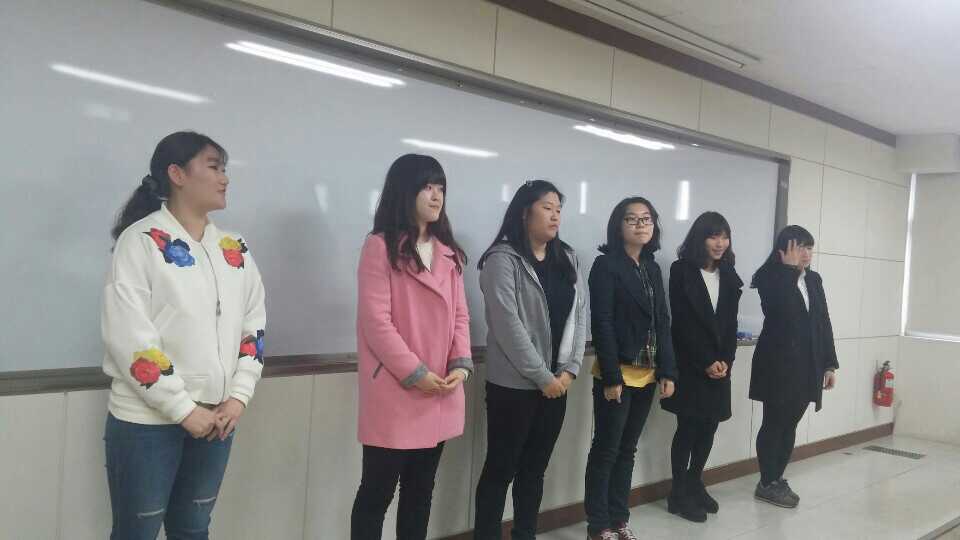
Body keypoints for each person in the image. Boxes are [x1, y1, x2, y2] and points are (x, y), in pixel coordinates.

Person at [102, 131, 266, 539]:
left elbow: (254, 325)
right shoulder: (140, 241)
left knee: (193, 530)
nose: (224, 178)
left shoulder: (234, 247)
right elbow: (131, 341)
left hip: (217, 418)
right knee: (136, 533)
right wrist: (183, 409)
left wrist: (238, 397)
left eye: (224, 169)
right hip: (146, 422)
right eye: (214, 167)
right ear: (176, 174)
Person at [351, 154, 472, 540]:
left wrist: (461, 365)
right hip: (396, 389)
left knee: (420, 492)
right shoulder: (380, 246)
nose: (436, 196)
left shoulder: (448, 252)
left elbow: (461, 316)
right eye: (427, 187)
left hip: (441, 389)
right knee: (377, 492)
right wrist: (416, 373)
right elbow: (376, 323)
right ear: (405, 191)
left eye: (441, 188)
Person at [473, 180, 587, 540]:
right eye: (547, 208)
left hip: (557, 385)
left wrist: (570, 371)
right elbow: (507, 326)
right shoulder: (502, 260)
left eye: (558, 209)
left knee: (534, 470)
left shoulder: (567, 257)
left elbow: (579, 315)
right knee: (500, 470)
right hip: (513, 387)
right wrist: (543, 376)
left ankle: (525, 533)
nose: (555, 216)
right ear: (525, 212)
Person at [584, 197, 677, 540]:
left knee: (627, 450)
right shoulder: (606, 265)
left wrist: (668, 370)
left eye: (646, 219)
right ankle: (598, 526)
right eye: (632, 219)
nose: (640, 225)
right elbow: (602, 322)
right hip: (617, 374)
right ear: (618, 226)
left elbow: (662, 321)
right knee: (606, 450)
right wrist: (611, 376)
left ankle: (619, 519)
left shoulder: (651, 267)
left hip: (647, 375)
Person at [662, 212, 743, 522]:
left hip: (720, 365)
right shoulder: (681, 270)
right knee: (688, 427)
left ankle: (695, 482)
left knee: (710, 425)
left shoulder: (729, 274)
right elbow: (681, 323)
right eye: (713, 236)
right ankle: (678, 491)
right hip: (691, 364)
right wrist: (706, 361)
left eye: (724, 236)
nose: (720, 243)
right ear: (700, 238)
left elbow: (731, 324)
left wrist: (726, 361)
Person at [749, 225, 838, 508]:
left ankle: (776, 478)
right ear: (783, 250)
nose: (806, 254)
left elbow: (823, 322)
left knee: (790, 423)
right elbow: (780, 312)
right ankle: (767, 482)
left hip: (807, 365)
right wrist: (788, 271)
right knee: (774, 422)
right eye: (800, 247)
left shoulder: (813, 280)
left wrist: (829, 364)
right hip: (777, 365)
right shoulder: (769, 277)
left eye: (809, 248)